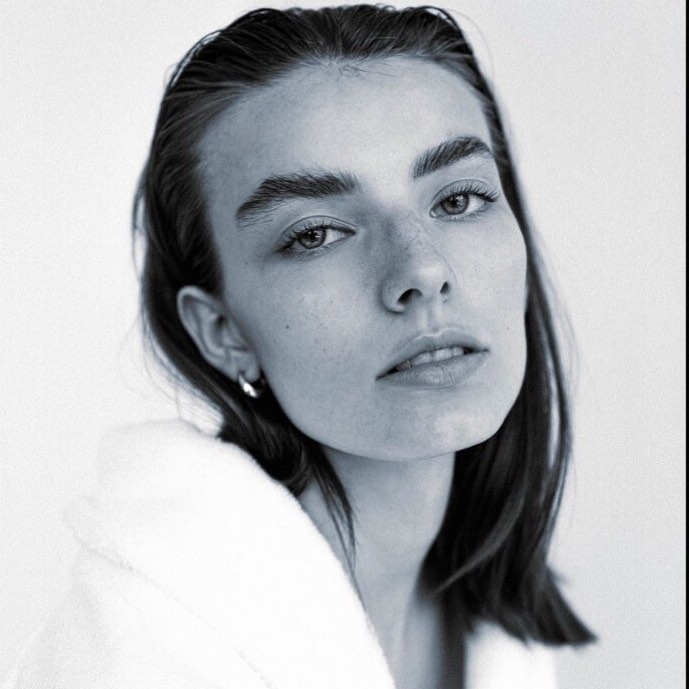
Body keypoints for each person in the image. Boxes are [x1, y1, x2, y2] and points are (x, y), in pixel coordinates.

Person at [5, 4, 595, 688]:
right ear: (223, 331)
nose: (421, 268)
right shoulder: (138, 659)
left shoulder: (495, 636)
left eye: (458, 199)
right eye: (315, 234)